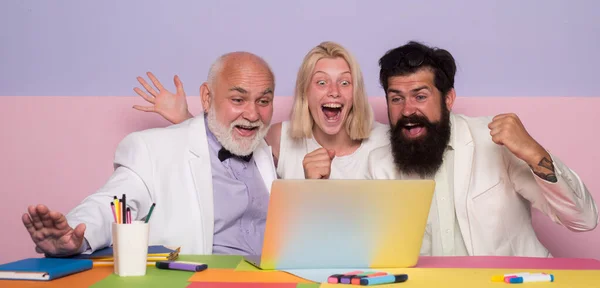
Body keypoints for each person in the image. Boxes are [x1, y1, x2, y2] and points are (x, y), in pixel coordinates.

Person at [22, 51, 278, 256]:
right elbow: (111, 202)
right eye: (238, 100)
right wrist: (76, 234)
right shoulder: (153, 149)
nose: (253, 114)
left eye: (263, 101)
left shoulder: (266, 152)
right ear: (207, 97)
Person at [367, 41, 598, 257]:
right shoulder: (379, 164)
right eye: (396, 99)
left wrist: (534, 153)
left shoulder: (494, 141)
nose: (407, 111)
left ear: (448, 99)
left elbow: (583, 220)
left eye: (420, 96)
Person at [133, 42, 389, 180]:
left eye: (345, 82)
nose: (334, 91)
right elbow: (230, 158)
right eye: (321, 82)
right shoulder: (280, 139)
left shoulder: (385, 140)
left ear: (355, 92)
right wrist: (185, 119)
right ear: (305, 93)